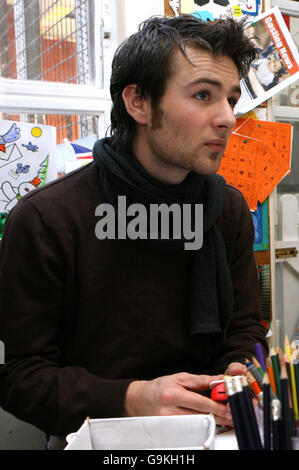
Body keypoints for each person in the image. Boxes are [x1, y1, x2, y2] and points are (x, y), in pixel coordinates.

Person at [0, 15, 268, 449]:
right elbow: (22, 378)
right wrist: (132, 397)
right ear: (138, 103)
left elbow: (244, 331)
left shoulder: (228, 209)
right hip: (100, 434)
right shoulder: (46, 219)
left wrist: (240, 367)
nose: (226, 118)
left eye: (231, 99)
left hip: (212, 432)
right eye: (203, 95)